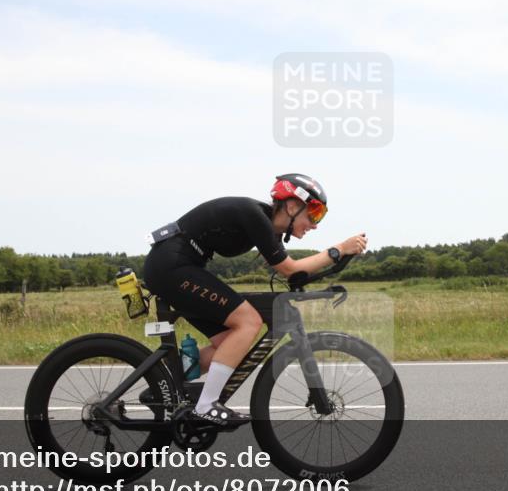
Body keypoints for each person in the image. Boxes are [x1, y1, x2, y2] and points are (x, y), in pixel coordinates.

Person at [141, 173, 368, 426]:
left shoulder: (264, 225)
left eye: (320, 217)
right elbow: (290, 269)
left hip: (177, 265)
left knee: (229, 340)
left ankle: (164, 385)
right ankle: (206, 406)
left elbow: (293, 270)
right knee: (248, 321)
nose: (315, 224)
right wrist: (338, 250)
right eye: (313, 213)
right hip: (172, 266)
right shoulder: (256, 217)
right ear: (292, 205)